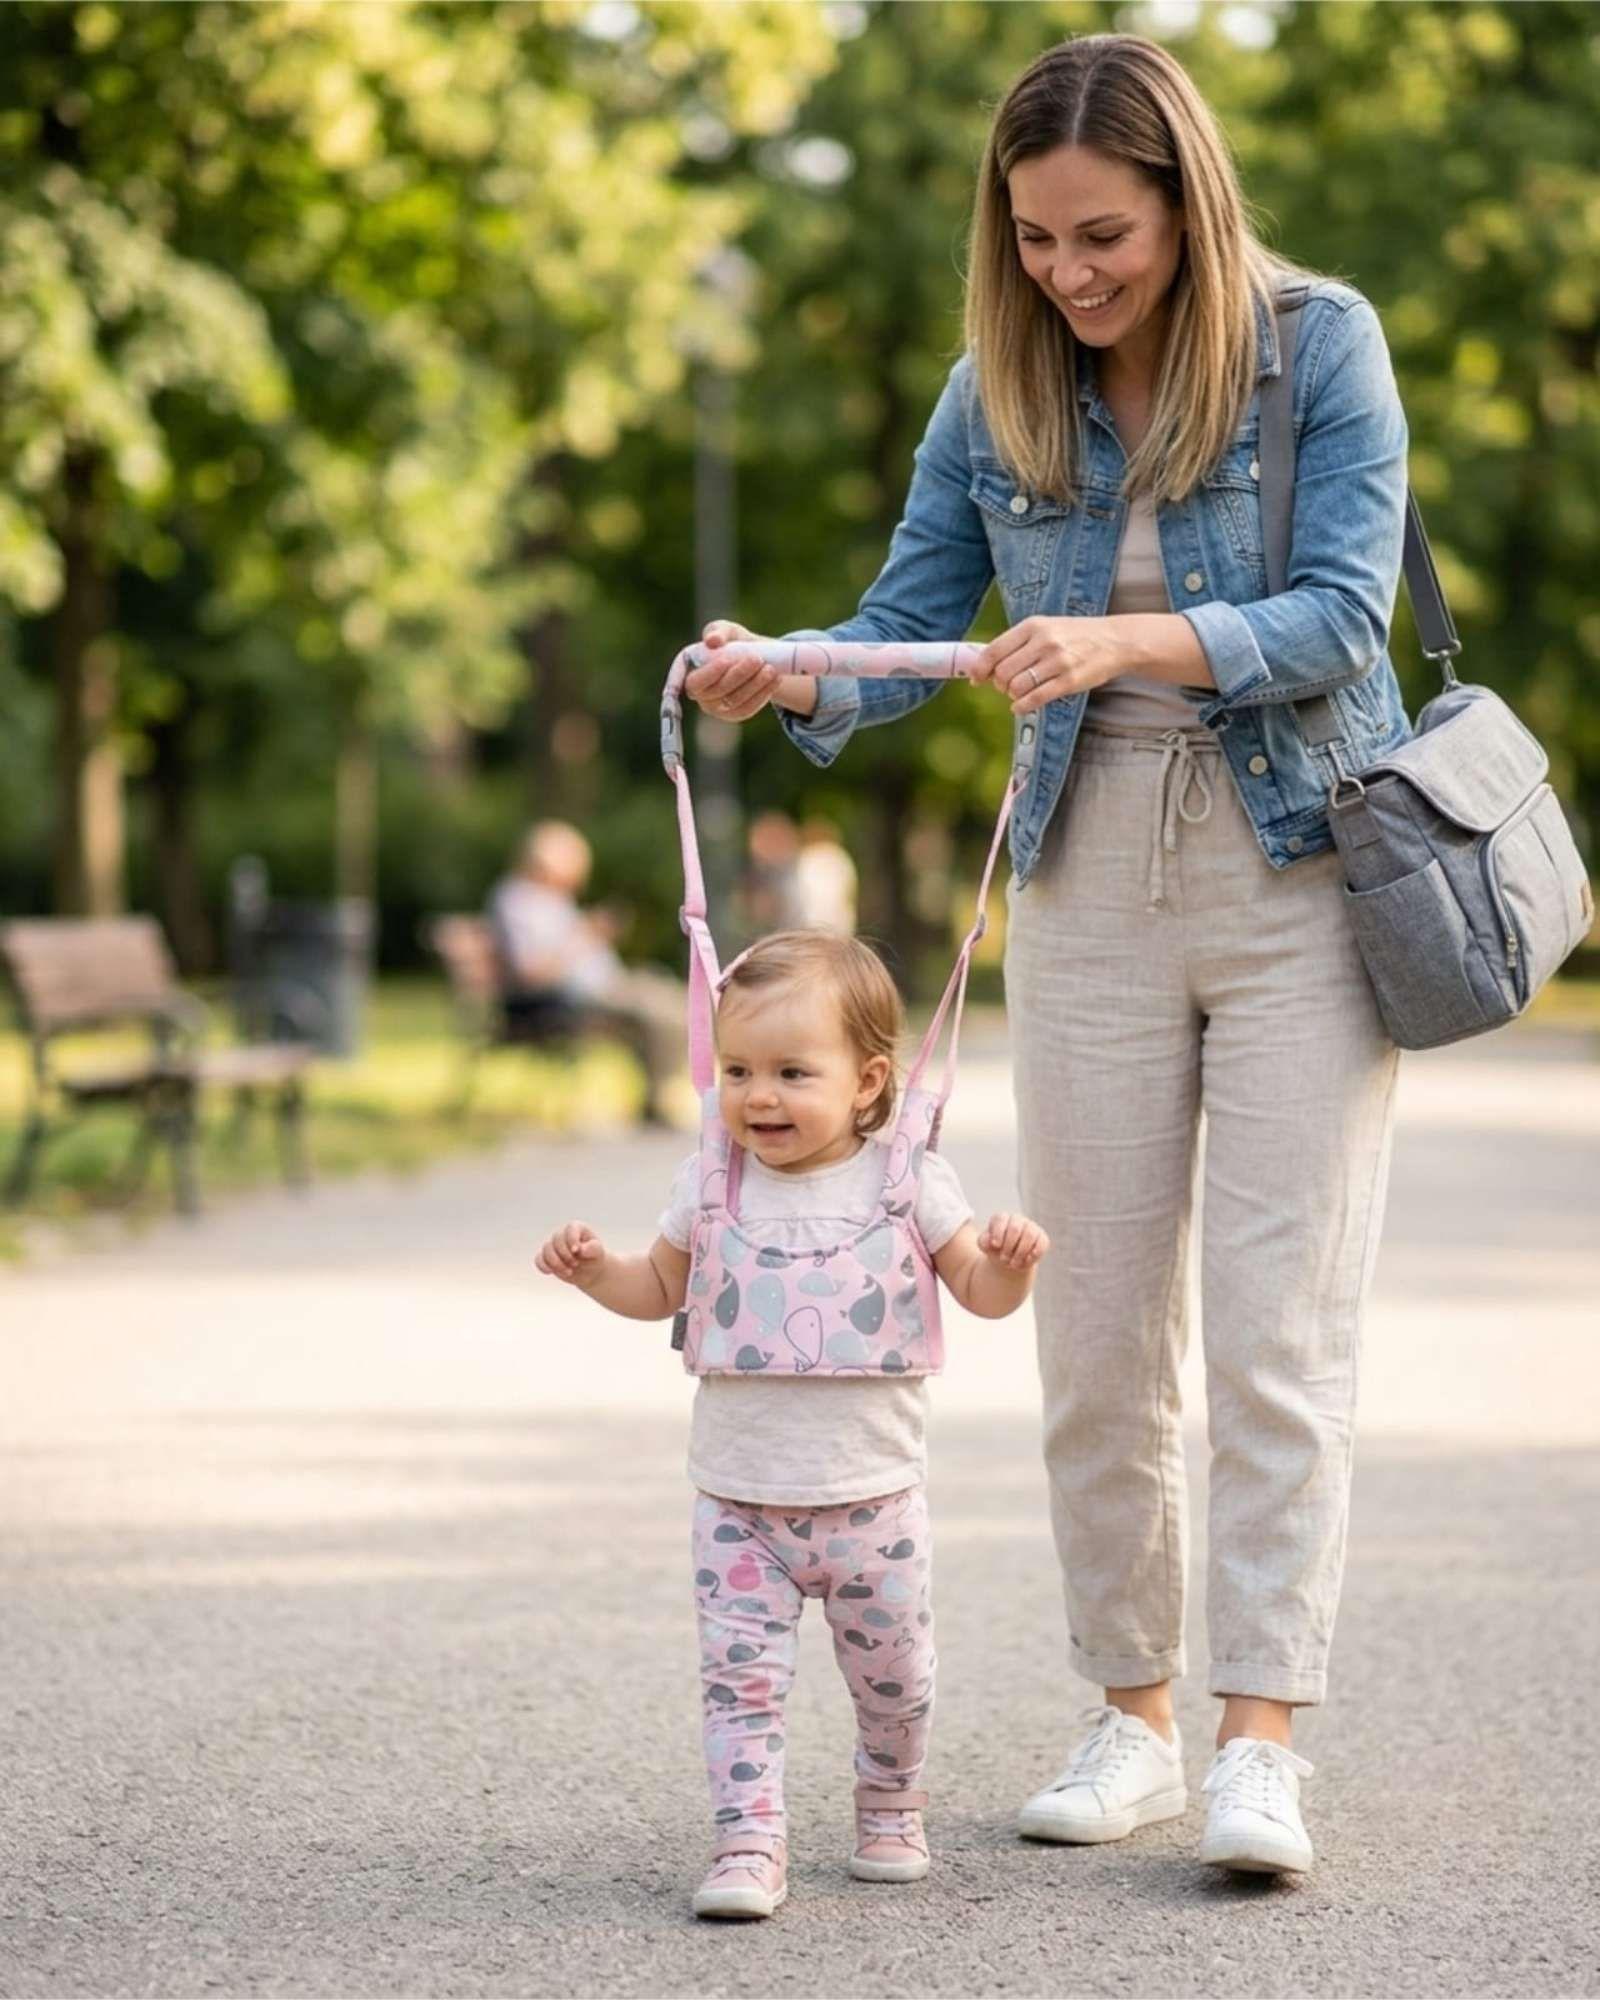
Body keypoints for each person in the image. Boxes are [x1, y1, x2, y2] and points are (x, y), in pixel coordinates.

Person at [682, 32, 1411, 1879]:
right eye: (1034, 239)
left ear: (1187, 203)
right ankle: (1132, 1718)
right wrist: (787, 674)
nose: (1069, 273)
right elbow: (907, 619)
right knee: (1091, 1334)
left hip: (1301, 867)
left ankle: (1260, 1741)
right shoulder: (992, 388)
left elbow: (1344, 612)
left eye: (1105, 235)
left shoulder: (1320, 345)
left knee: (1277, 1333)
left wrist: (1120, 645)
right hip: (1085, 878)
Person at [535, 930, 1049, 1919]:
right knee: (739, 1685)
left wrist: (1012, 1265)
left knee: (897, 1680)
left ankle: (890, 1801)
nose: (758, 1096)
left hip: (874, 1504)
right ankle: (747, 1838)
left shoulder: (908, 1181)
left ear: (868, 1082)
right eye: (737, 1070)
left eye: (790, 1073)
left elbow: (980, 1292)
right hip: (739, 1505)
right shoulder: (710, 1181)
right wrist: (598, 1272)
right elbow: (658, 1287)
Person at [488, 820, 686, 1124]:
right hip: (564, 1002)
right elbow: (531, 972)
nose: (578, 877)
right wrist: (586, 934)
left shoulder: (550, 899)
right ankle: (658, 1100)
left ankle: (658, 1096)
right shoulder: (517, 901)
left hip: (600, 990)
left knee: (667, 996)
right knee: (660, 1008)